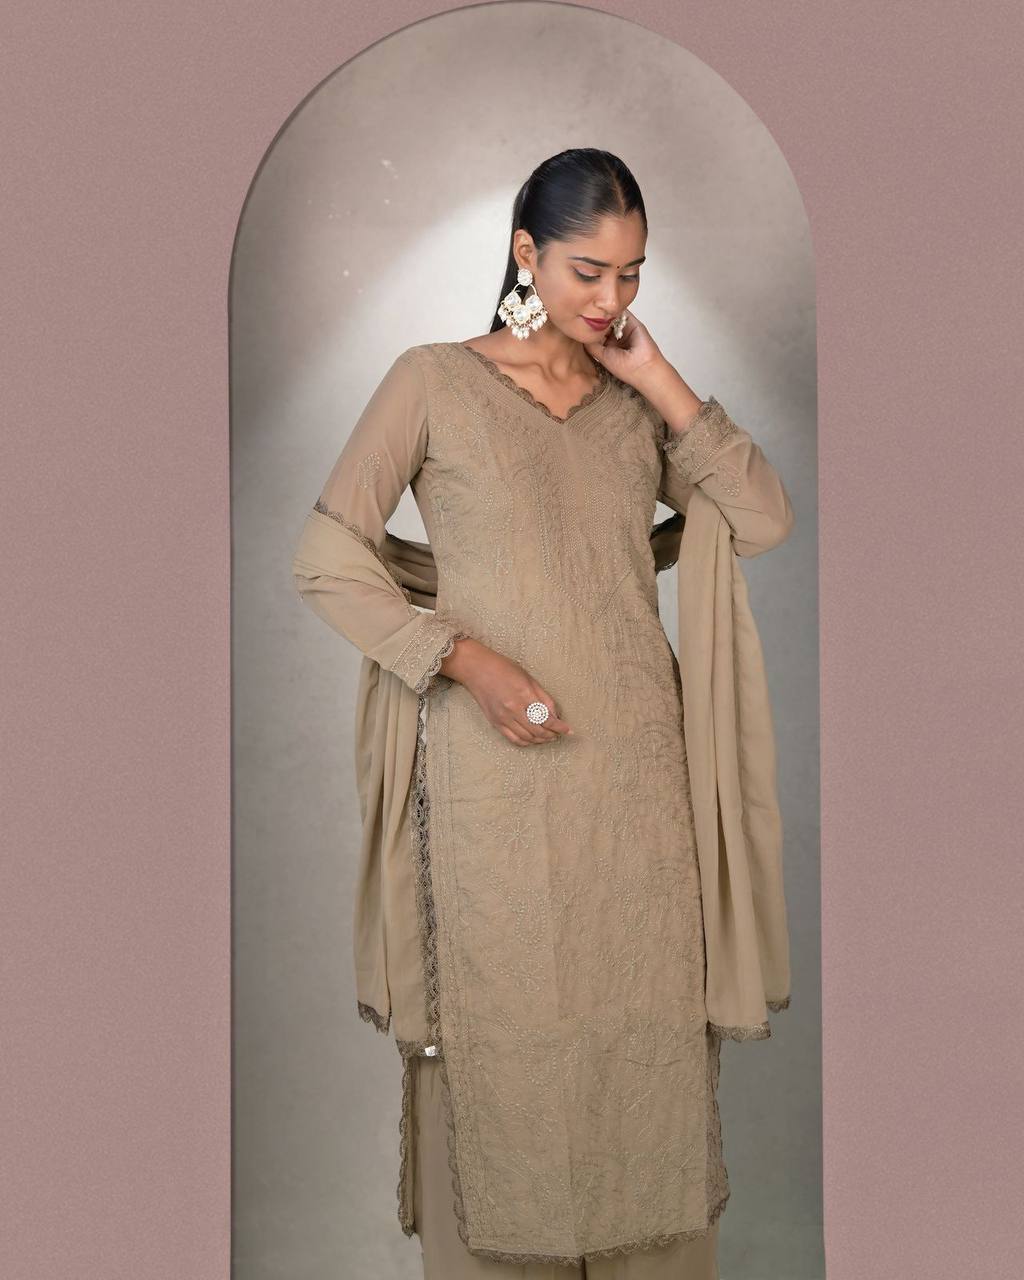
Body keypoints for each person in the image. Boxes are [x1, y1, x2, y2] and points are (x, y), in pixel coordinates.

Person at [291, 148, 795, 1278]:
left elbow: (761, 518)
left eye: (632, 273)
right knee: (507, 1042)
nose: (611, 298)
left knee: (640, 1042)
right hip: (496, 782)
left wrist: (659, 375)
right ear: (526, 253)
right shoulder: (432, 381)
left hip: (639, 785)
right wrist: (463, 660)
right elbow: (325, 557)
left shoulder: (632, 409)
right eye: (587, 271)